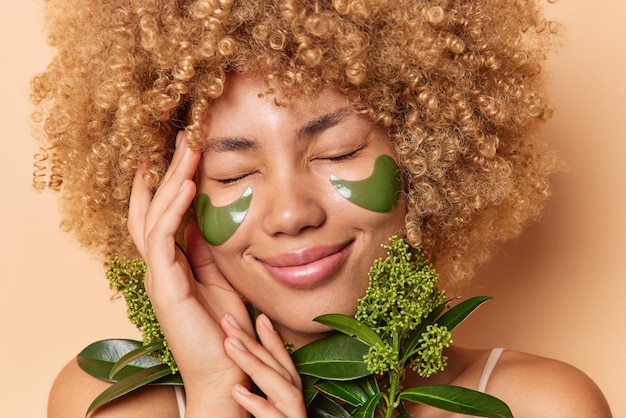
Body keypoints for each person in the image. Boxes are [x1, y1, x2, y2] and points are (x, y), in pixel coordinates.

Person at [32, 0, 611, 416]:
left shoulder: (538, 405)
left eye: (339, 151)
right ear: (169, 201)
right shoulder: (110, 403)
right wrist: (215, 394)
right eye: (232, 173)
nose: (290, 214)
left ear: (425, 156)